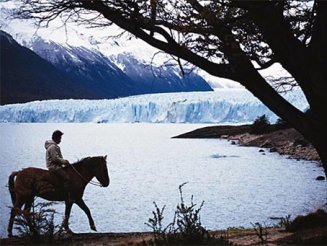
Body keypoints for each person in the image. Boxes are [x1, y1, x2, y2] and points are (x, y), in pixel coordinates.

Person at [45, 130, 71, 200]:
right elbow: (55, 159)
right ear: (56, 138)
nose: (60, 140)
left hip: (55, 166)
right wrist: (64, 162)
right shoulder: (53, 147)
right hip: (54, 167)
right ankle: (65, 194)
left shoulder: (53, 146)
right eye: (60, 138)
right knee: (67, 178)